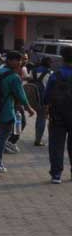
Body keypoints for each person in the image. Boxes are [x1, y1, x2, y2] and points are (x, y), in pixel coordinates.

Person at [0, 50, 36, 174]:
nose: (21, 62)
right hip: (6, 110)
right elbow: (21, 96)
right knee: (3, 138)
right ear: (11, 61)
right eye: (19, 60)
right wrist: (29, 109)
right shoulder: (13, 77)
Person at [44, 46, 72, 184]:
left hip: (57, 115)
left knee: (56, 145)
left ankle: (56, 175)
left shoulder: (55, 75)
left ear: (62, 58)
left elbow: (46, 97)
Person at [28, 56, 53, 147]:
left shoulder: (33, 71)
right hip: (44, 99)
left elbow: (29, 80)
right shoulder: (50, 73)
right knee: (42, 119)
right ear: (49, 63)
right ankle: (38, 140)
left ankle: (37, 138)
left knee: (39, 118)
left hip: (33, 99)